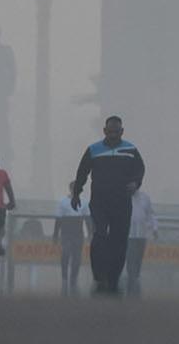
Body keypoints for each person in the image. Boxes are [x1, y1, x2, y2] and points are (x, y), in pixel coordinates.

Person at [72, 114, 146, 294]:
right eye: (110, 131)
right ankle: (99, 275)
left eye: (116, 132)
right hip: (100, 202)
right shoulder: (94, 150)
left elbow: (140, 170)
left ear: (122, 131)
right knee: (100, 235)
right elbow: (82, 172)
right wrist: (76, 193)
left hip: (122, 201)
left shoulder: (131, 150)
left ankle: (113, 277)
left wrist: (135, 183)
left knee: (119, 240)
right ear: (104, 131)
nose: (113, 135)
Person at [55, 185, 90, 296]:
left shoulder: (84, 202)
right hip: (66, 233)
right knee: (65, 253)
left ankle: (73, 278)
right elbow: (58, 219)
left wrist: (90, 232)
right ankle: (64, 277)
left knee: (77, 257)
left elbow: (87, 219)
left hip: (78, 233)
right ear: (70, 189)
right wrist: (55, 234)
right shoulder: (63, 202)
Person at [125, 184, 159, 296]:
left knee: (138, 259)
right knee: (130, 259)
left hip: (141, 235)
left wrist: (154, 228)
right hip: (127, 236)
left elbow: (151, 214)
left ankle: (135, 279)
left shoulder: (145, 198)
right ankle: (132, 283)